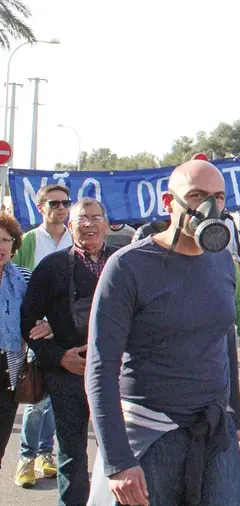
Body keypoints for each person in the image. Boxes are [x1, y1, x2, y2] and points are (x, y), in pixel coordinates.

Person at [85, 159, 240, 506]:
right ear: (167, 202)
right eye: (196, 195)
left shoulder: (221, 262)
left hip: (214, 432)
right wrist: (118, 461)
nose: (210, 208)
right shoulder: (128, 266)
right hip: (149, 436)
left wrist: (236, 418)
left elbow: (224, 340)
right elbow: (100, 367)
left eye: (219, 197)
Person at [22, 198, 118, 505]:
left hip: (119, 375)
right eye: (82, 219)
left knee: (123, 450)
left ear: (107, 223)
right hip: (67, 374)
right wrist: (59, 356)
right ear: (70, 225)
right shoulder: (51, 267)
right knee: (72, 452)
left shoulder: (123, 262)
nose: (89, 224)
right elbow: (28, 321)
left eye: (96, 217)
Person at [12, 183, 74, 488]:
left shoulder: (76, 238)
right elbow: (19, 288)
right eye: (54, 203)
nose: (60, 208)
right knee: (37, 398)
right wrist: (32, 327)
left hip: (70, 333)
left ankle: (46, 454)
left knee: (55, 397)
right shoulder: (28, 242)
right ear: (41, 208)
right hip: (38, 331)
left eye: (65, 203)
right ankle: (26, 456)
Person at [0, 213, 53, 480]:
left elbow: (46, 311)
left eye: (5, 240)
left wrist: (48, 325)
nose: (0, 246)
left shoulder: (23, 277)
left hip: (9, 371)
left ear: (14, 245)